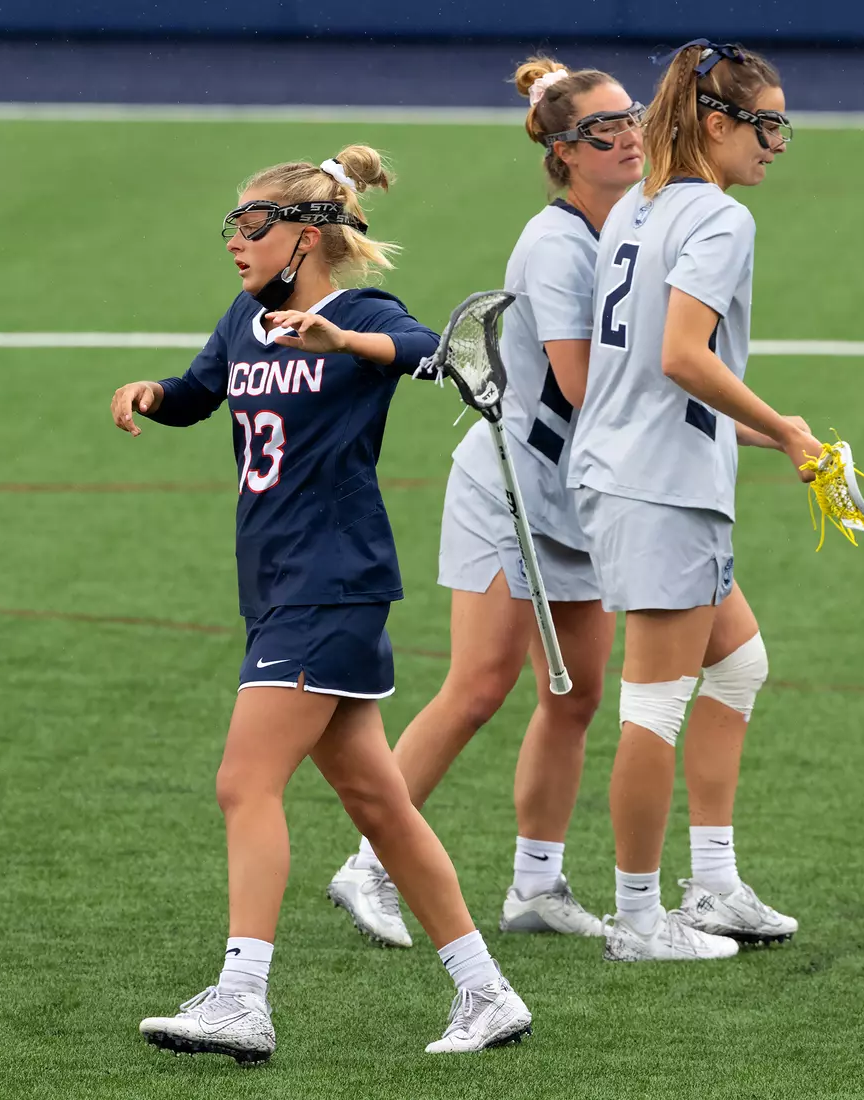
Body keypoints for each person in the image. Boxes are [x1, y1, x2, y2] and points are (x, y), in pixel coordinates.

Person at [114, 145, 532, 1063]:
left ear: (305, 237)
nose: (234, 241)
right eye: (232, 224)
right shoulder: (245, 318)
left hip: (330, 583)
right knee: (380, 804)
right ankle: (486, 992)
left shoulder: (360, 315)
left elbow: (426, 352)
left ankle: (241, 998)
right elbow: (200, 392)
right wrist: (153, 395)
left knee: (244, 782)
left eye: (252, 224)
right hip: (277, 586)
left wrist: (344, 344)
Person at [327, 57, 643, 948]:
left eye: (633, 118)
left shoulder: (634, 224)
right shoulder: (556, 245)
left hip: (578, 494)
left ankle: (537, 885)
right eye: (604, 128)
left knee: (575, 694)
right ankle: (367, 865)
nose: (629, 137)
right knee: (477, 685)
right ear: (563, 151)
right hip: (510, 483)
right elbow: (581, 384)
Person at [567, 40, 825, 963]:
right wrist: (785, 430)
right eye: (767, 126)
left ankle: (712, 885)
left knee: (740, 664)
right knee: (654, 708)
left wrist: (764, 431)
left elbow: (646, 371)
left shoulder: (639, 206)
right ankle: (639, 920)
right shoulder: (718, 217)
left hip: (636, 469)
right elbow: (681, 355)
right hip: (659, 488)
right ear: (717, 123)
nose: (777, 145)